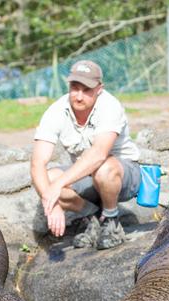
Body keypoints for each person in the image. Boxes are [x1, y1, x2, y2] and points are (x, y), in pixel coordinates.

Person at [31, 60, 142, 250]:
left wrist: (58, 186)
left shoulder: (110, 105)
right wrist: (52, 203)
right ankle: (92, 219)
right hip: (88, 178)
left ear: (99, 88)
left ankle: (112, 221)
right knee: (47, 179)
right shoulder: (56, 110)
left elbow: (99, 154)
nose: (79, 96)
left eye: (86, 89)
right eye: (75, 88)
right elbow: (37, 164)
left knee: (103, 168)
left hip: (123, 175)